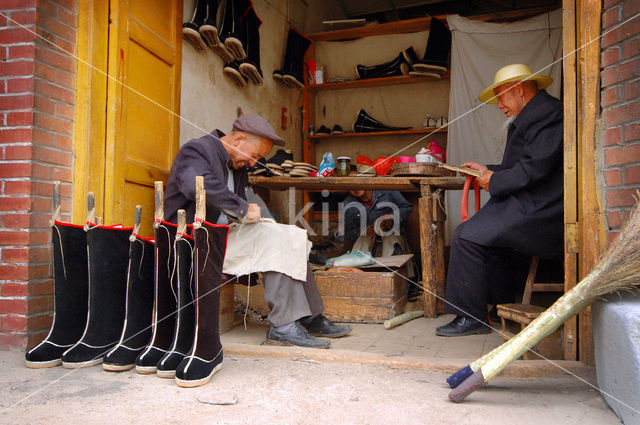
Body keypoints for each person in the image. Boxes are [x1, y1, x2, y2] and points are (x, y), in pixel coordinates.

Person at [164, 114, 351, 348]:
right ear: (239, 139)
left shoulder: (237, 164)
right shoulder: (197, 150)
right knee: (275, 239)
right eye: (254, 156)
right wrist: (241, 209)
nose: (254, 163)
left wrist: (261, 218)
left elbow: (245, 204)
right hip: (195, 240)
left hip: (223, 236)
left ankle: (309, 316)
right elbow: (197, 185)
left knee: (291, 235)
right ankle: (283, 327)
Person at [435, 64, 563, 337]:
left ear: (519, 90)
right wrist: (486, 171)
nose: (499, 106)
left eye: (501, 97)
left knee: (467, 236)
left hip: (543, 207)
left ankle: (471, 317)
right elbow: (521, 166)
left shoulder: (547, 114)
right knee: (483, 234)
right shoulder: (535, 114)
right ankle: (500, 306)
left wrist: (494, 180)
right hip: (530, 200)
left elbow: (536, 169)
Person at [342, 190, 413, 261]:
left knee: (391, 239)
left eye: (357, 182)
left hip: (393, 238)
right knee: (362, 243)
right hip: (367, 242)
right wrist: (362, 231)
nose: (355, 189)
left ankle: (391, 268)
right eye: (351, 187)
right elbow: (349, 233)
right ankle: (359, 270)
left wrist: (392, 217)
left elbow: (407, 208)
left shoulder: (388, 191)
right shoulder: (348, 204)